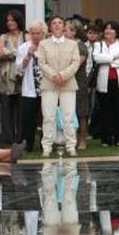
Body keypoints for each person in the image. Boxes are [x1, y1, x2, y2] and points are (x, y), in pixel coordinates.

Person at [38, 15, 80, 158]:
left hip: (68, 84)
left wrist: (62, 75)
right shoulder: (44, 44)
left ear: (64, 26)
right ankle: (47, 147)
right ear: (50, 27)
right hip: (49, 84)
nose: (57, 25)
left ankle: (70, 146)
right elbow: (42, 63)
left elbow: (75, 63)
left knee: (68, 116)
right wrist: (54, 76)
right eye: (54, 23)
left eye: (60, 23)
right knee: (48, 116)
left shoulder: (72, 44)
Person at [91, 21, 119, 147]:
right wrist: (114, 58)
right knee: (105, 111)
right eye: (106, 29)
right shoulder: (99, 44)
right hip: (104, 83)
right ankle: (106, 139)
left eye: (112, 29)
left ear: (116, 32)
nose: (108, 31)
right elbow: (97, 58)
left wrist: (107, 60)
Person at [0, 10, 25, 145]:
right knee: (6, 108)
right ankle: (7, 138)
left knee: (21, 108)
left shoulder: (26, 36)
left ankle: (20, 137)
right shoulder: (3, 37)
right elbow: (0, 54)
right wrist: (18, 52)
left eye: (12, 20)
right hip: (6, 75)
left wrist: (10, 53)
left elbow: (30, 51)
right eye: (8, 21)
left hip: (22, 74)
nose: (10, 23)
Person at [16, 21, 44, 152]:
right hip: (30, 89)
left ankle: (46, 145)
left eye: (38, 33)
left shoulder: (47, 46)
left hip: (46, 88)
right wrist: (28, 55)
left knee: (46, 117)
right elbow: (19, 69)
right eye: (32, 33)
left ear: (43, 33)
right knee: (28, 117)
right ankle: (27, 145)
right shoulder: (23, 47)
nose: (35, 36)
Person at [64, 20, 90, 150]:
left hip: (78, 81)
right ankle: (71, 138)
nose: (64, 32)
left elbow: (76, 65)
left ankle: (82, 139)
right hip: (66, 81)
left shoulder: (80, 46)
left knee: (81, 112)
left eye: (67, 29)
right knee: (69, 111)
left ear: (74, 32)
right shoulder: (64, 45)